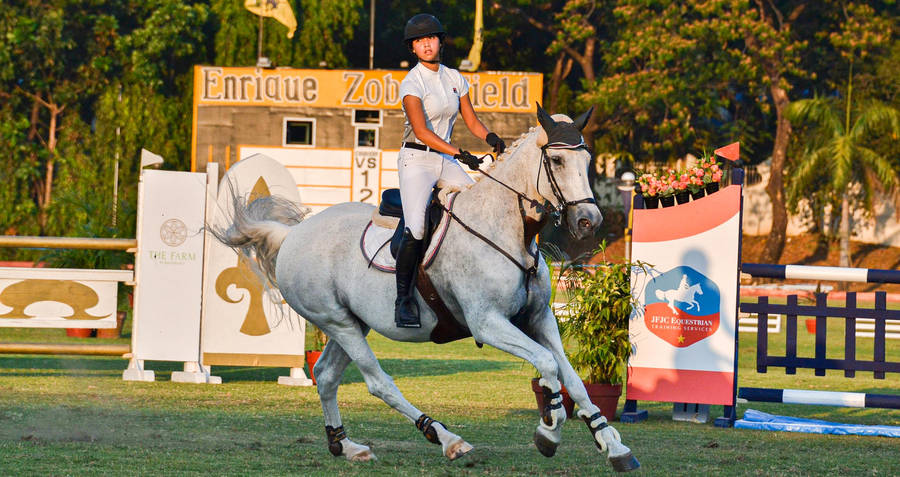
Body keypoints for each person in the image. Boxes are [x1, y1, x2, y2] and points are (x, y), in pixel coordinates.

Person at [394, 13, 506, 328]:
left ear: (440, 42)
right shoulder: (411, 82)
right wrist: (462, 154)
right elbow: (421, 131)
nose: (425, 44)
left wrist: (490, 137)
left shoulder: (455, 77)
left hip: (446, 158)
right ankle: (402, 300)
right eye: (419, 41)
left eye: (430, 38)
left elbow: (471, 121)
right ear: (413, 48)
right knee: (415, 228)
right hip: (417, 160)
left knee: (479, 208)